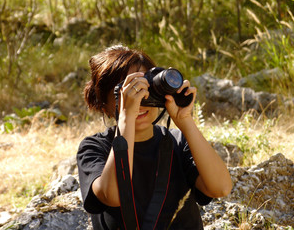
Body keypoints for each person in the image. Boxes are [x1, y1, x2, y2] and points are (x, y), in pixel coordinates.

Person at [77, 44, 232, 230]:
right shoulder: (95, 147)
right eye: (127, 92)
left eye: (144, 87)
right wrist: (126, 118)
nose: (139, 101)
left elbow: (221, 187)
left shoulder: (177, 141)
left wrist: (185, 121)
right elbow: (114, 195)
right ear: (104, 107)